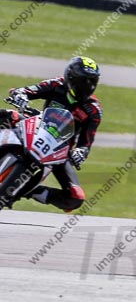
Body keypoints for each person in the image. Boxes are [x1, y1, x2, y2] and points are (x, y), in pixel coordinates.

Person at [0, 56, 102, 211]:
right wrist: (20, 95)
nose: (88, 86)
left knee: (75, 198)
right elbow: (30, 90)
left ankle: (30, 191)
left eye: (92, 81)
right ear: (71, 77)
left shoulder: (93, 110)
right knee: (8, 115)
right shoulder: (56, 84)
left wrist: (80, 152)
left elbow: (86, 143)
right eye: (84, 80)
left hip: (60, 151)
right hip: (37, 126)